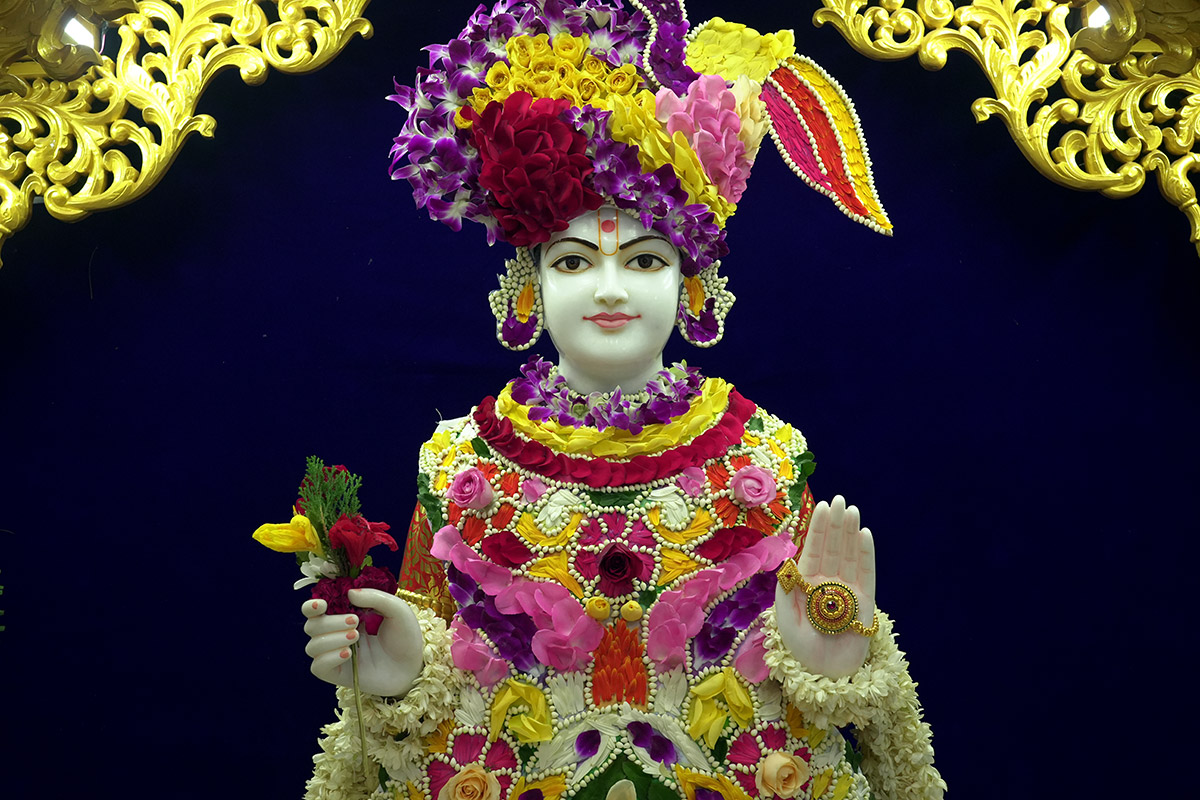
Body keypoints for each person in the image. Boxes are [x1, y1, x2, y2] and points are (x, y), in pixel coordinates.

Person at [297, 3, 944, 799]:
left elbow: (821, 659)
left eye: (644, 260)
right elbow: (441, 678)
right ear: (529, 287)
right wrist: (402, 672)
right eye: (573, 263)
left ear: (691, 284)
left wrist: (832, 664)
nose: (609, 289)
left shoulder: (767, 461)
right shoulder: (463, 468)